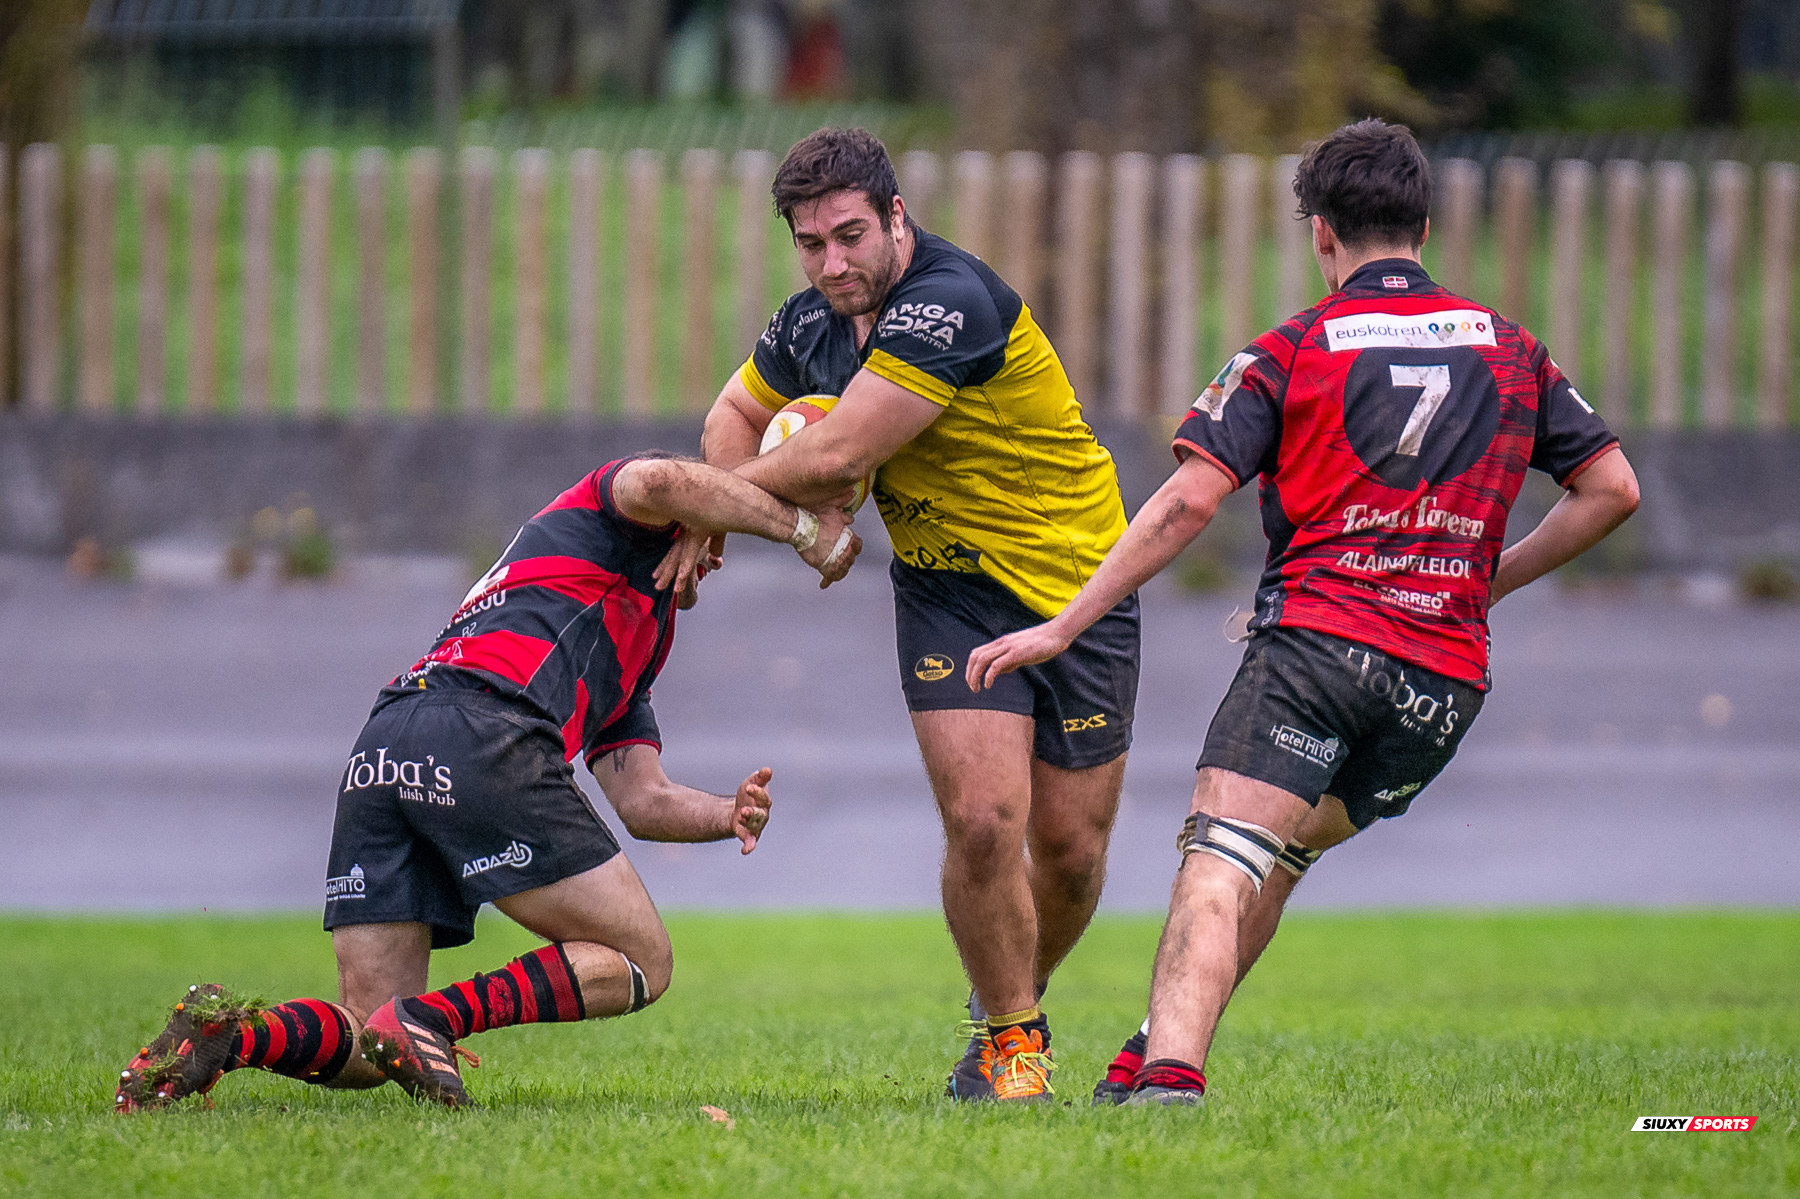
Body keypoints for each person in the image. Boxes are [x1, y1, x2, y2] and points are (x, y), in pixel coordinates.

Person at [965, 119, 1641, 1107]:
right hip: (1443, 686)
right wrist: (1483, 580)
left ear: (1321, 233)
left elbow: (1190, 499)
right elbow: (1612, 488)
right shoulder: (1512, 350)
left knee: (1220, 855)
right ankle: (1145, 1052)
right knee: (1270, 857)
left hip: (1322, 647)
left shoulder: (1295, 348)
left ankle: (1169, 1083)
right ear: (1424, 222)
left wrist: (1066, 621)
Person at [114, 455, 860, 1112]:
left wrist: (726, 812)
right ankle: (434, 1020)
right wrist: (800, 528)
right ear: (700, 513)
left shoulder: (633, 632)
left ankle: (231, 1033)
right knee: (644, 960)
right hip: (485, 731)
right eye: (718, 528)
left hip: (388, 740)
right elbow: (667, 477)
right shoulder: (616, 514)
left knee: (366, 1032)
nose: (717, 557)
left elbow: (642, 797)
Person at [671, 127, 1138, 1102]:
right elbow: (733, 413)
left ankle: (1014, 992)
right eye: (810, 243)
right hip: (948, 589)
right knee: (981, 823)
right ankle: (1014, 1043)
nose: (833, 262)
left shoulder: (948, 303)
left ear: (896, 217)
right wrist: (739, 502)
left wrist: (709, 502)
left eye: (849, 235)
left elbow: (841, 456)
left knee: (1071, 852)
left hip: (1079, 581)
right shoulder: (807, 323)